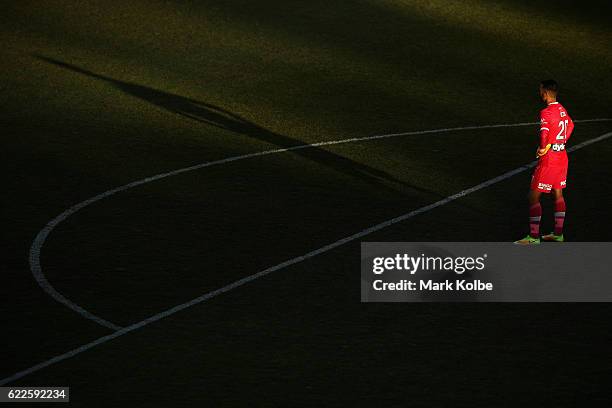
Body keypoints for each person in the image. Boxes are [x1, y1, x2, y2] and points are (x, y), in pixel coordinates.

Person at [515, 80, 574, 244]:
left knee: (533, 197)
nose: (539, 93)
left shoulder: (546, 113)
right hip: (562, 156)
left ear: (546, 92)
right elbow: (570, 125)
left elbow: (544, 136)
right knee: (558, 194)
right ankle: (558, 233)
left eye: (540, 90)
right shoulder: (562, 109)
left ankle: (534, 237)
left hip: (549, 160)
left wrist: (542, 148)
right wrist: (561, 141)